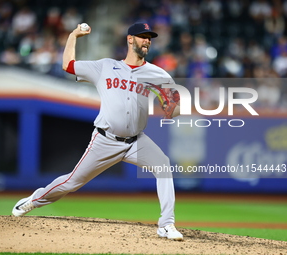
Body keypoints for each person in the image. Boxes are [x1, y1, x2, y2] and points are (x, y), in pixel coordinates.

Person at [12, 22, 183, 241]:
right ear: (130, 39)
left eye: (150, 37)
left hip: (136, 141)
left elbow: (174, 110)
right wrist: (73, 35)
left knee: (163, 164)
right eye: (143, 36)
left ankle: (166, 224)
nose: (147, 40)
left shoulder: (157, 74)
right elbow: (68, 65)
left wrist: (171, 103)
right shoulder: (105, 66)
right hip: (106, 139)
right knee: (72, 182)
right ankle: (34, 200)